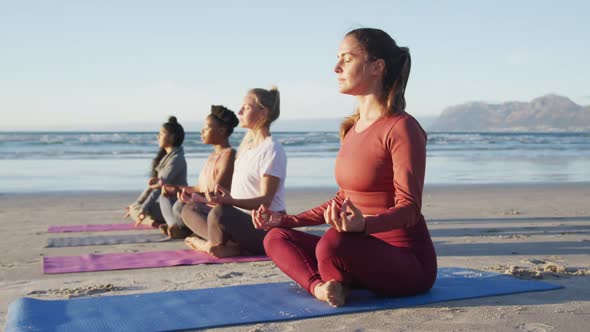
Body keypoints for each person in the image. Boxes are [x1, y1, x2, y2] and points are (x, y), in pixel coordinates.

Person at [253, 28, 437, 307]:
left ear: (377, 67)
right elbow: (342, 199)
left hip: (406, 262)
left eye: (347, 59)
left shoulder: (402, 128)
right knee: (277, 237)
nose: (336, 67)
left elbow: (410, 209)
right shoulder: (351, 129)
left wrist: (364, 225)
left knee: (333, 242)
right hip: (356, 250)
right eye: (337, 58)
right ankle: (322, 287)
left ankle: (338, 278)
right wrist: (287, 220)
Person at [183, 87, 287, 258]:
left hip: (265, 226)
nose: (240, 111)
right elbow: (240, 192)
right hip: (240, 220)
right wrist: (204, 199)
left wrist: (231, 201)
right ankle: (227, 245)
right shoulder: (246, 149)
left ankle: (211, 245)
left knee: (220, 213)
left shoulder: (272, 149)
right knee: (190, 208)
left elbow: (265, 201)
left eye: (246, 107)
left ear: (263, 112)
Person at [160, 105, 239, 239]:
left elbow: (217, 192)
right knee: (171, 199)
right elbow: (200, 188)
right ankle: (185, 230)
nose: (202, 131)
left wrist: (192, 198)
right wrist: (175, 189)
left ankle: (196, 232)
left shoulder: (229, 155)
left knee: (181, 207)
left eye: (207, 127)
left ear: (221, 130)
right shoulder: (212, 156)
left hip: (217, 211)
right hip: (204, 205)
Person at [124, 116, 187, 227]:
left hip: (174, 206)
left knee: (137, 209)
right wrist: (137, 204)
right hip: (166, 204)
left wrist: (143, 208)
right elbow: (152, 187)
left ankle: (156, 223)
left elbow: (159, 189)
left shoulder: (176, 159)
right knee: (134, 207)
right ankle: (156, 222)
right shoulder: (168, 158)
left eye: (161, 133)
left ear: (172, 137)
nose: (158, 136)